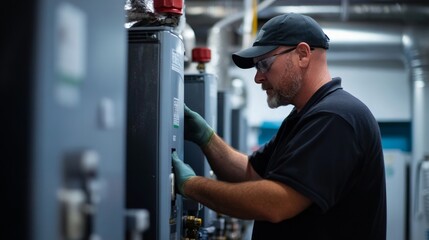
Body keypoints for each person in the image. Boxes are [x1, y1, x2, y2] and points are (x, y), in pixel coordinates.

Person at [172, 12, 386, 240]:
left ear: (303, 54)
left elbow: (275, 203)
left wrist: (191, 186)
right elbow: (251, 173)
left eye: (264, 64)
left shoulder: (335, 118)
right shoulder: (303, 117)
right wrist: (206, 138)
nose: (258, 78)